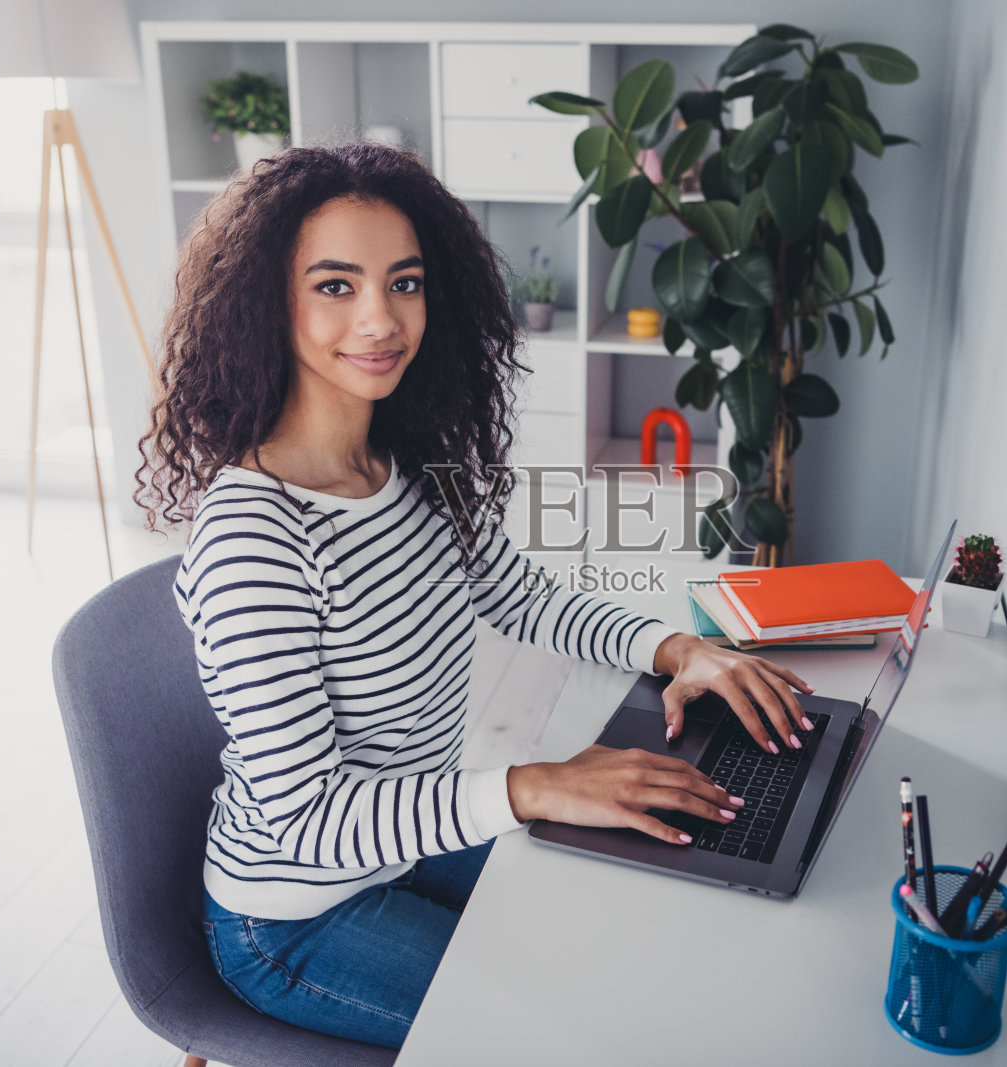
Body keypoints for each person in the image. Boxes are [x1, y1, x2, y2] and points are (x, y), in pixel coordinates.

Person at [133, 141, 816, 1049]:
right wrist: (534, 784)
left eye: (404, 283)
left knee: (632, 926)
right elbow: (306, 815)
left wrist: (678, 649)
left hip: (408, 840)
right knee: (574, 1037)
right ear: (266, 302)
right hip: (295, 914)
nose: (380, 319)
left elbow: (525, 597)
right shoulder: (253, 536)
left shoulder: (407, 466)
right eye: (336, 285)